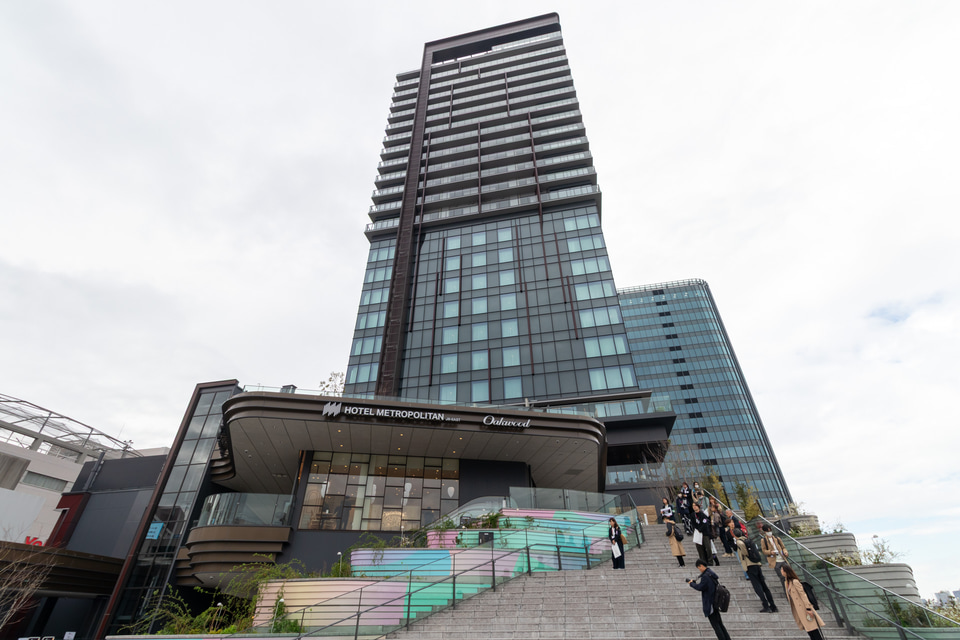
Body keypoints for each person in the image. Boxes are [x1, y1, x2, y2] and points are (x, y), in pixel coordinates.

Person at [733, 529, 777, 613]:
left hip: (749, 565)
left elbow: (745, 553)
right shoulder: (747, 540)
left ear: (734, 535)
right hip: (757, 563)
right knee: (764, 586)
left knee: (757, 586)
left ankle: (765, 605)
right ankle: (773, 605)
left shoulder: (739, 542)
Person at [687, 559, 731, 640]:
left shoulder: (705, 576)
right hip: (715, 602)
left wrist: (691, 583)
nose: (699, 570)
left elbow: (700, 587)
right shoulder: (711, 573)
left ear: (701, 566)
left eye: (699, 568)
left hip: (710, 604)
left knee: (716, 626)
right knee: (720, 624)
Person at [782, 563, 825, 639]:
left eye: (782, 570)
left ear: (786, 571)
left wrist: (808, 608)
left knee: (813, 630)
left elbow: (803, 595)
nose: (781, 572)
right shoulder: (786, 583)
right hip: (798, 610)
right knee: (809, 630)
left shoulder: (795, 582)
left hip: (804, 609)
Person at [761, 524, 789, 590]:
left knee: (789, 575)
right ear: (765, 532)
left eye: (770, 530)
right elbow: (764, 551)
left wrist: (785, 552)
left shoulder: (777, 538)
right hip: (775, 561)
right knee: (782, 578)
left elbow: (783, 547)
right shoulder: (764, 540)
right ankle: (786, 592)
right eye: (768, 531)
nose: (770, 532)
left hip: (782, 558)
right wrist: (770, 552)